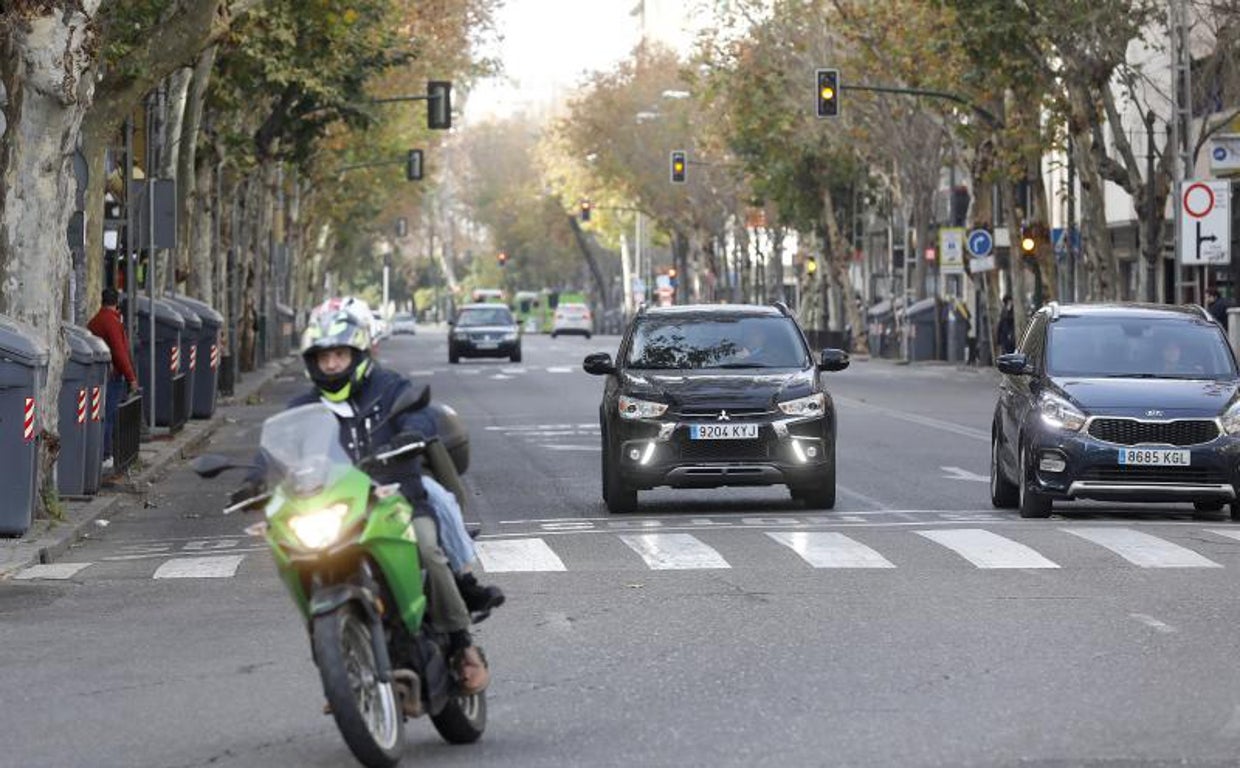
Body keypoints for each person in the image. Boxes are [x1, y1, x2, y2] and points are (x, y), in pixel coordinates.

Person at [233, 309, 493, 694]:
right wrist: (253, 480)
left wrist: (409, 436)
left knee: (427, 548)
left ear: (356, 355)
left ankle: (461, 643)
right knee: (297, 558)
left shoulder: (389, 387)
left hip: (396, 495)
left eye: (339, 355)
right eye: (324, 357)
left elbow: (419, 415)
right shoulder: (303, 408)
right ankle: (341, 671)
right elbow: (274, 453)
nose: (332, 364)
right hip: (336, 505)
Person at [87, 287, 139, 468]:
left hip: (97, 376)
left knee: (98, 415)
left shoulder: (95, 321)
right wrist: (131, 377)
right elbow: (119, 352)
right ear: (116, 303)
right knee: (108, 415)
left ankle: (99, 453)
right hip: (112, 376)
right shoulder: (112, 322)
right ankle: (106, 455)